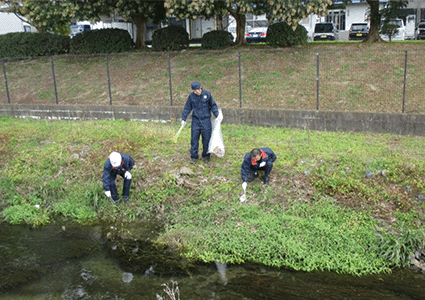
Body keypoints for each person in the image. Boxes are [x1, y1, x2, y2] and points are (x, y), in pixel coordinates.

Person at [181, 81, 219, 164]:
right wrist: (183, 118)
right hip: (196, 121)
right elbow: (187, 107)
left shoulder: (207, 94)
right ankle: (194, 156)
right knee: (194, 139)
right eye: (194, 91)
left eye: (197, 90)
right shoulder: (191, 96)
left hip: (206, 120)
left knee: (206, 139)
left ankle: (206, 156)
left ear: (200, 88)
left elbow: (213, 105)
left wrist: (217, 114)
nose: (196, 92)